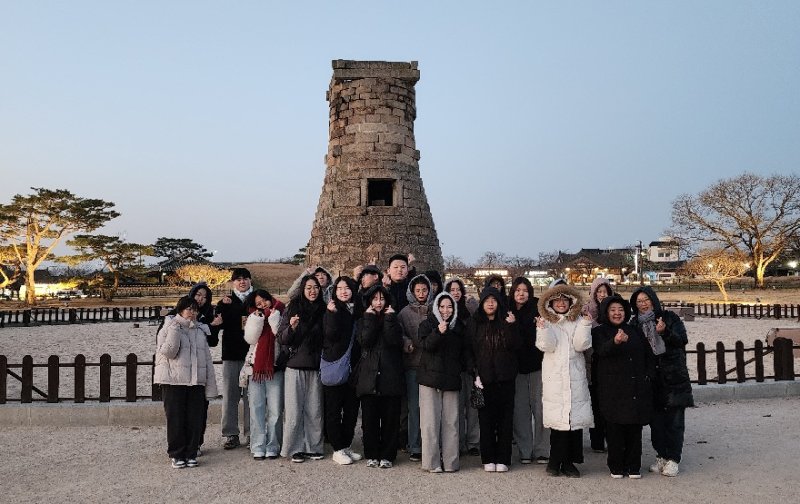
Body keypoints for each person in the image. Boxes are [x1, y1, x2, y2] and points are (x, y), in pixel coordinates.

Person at [630, 286, 694, 477]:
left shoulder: (669, 318)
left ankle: (674, 459)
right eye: (639, 301)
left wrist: (665, 332)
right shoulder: (634, 324)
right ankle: (662, 456)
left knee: (674, 422)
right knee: (655, 423)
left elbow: (682, 340)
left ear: (653, 300)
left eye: (646, 299)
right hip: (651, 380)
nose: (643, 304)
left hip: (673, 377)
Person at [592, 295, 654, 479]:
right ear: (606, 312)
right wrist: (615, 342)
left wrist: (648, 376)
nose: (617, 313)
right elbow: (600, 351)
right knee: (614, 430)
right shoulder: (599, 332)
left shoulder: (634, 330)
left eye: (620, 309)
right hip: (611, 388)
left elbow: (647, 355)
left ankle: (634, 466)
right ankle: (616, 466)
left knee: (634, 430)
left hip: (635, 386)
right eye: (612, 310)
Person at [536, 281, 593, 478]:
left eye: (564, 300)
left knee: (573, 422)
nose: (561, 303)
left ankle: (569, 462)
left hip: (574, 375)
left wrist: (586, 324)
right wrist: (542, 328)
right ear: (550, 303)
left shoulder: (578, 321)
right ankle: (555, 460)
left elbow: (581, 345)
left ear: (571, 301)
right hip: (554, 377)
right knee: (558, 423)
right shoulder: (546, 321)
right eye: (557, 300)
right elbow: (547, 346)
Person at [154, 296, 218, 469]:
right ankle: (176, 454)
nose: (192, 313)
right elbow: (168, 352)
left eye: (195, 310)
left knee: (194, 418)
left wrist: (209, 383)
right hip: (173, 380)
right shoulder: (168, 326)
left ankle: (191, 453)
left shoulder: (199, 330)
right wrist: (175, 330)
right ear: (180, 310)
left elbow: (206, 358)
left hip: (195, 380)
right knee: (176, 418)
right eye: (189, 309)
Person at [467, 286, 520, 473]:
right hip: (484, 379)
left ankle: (504, 458)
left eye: (494, 300)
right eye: (487, 300)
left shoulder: (507, 319)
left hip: (505, 378)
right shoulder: (475, 323)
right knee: (486, 421)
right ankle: (488, 457)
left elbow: (516, 346)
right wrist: (474, 372)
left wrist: (513, 326)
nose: (490, 303)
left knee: (505, 421)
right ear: (481, 303)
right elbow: (470, 350)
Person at [277, 275, 326, 463]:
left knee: (315, 409)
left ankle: (314, 446)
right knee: (294, 410)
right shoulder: (292, 309)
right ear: (302, 290)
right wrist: (291, 327)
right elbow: (281, 338)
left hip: (316, 366)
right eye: (308, 288)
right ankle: (294, 447)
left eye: (315, 287)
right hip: (295, 365)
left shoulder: (324, 309)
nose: (312, 291)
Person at [354, 285, 404, 469]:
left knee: (390, 419)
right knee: (370, 419)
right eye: (374, 299)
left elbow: (394, 341)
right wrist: (370, 318)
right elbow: (365, 341)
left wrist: (390, 319)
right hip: (369, 376)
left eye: (382, 299)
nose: (378, 302)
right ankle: (372, 454)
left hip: (390, 375)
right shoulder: (363, 320)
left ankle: (388, 455)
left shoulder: (394, 320)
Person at [417, 292, 467, 473]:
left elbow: (464, 352)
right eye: (442, 306)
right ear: (436, 307)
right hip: (430, 380)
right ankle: (431, 463)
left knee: (451, 423)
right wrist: (439, 331)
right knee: (430, 423)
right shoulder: (427, 324)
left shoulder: (459, 326)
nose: (446, 310)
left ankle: (451, 462)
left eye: (449, 306)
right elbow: (425, 346)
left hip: (452, 379)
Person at [322, 276, 363, 465]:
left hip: (354, 368)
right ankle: (337, 448)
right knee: (333, 409)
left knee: (351, 410)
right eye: (339, 288)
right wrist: (331, 315)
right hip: (336, 365)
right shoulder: (332, 310)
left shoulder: (358, 310)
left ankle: (346, 445)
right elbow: (330, 335)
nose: (343, 291)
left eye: (347, 288)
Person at [509, 277, 548, 465]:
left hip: (537, 365)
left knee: (540, 410)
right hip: (516, 368)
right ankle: (525, 450)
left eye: (524, 290)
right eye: (517, 290)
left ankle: (542, 449)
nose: (521, 294)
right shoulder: (507, 309)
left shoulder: (538, 308)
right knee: (520, 411)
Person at [242, 289, 286, 460]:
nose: (263, 305)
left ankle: (273, 445)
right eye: (258, 303)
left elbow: (282, 338)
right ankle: (258, 445)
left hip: (275, 368)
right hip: (256, 369)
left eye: (264, 301)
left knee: (275, 410)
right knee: (257, 408)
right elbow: (251, 339)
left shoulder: (281, 311)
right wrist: (258, 320)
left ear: (270, 298)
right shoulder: (254, 316)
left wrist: (274, 319)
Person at [216, 267, 254, 449]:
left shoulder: (257, 299)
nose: (242, 281)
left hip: (252, 354)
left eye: (245, 278)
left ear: (250, 281)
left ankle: (251, 433)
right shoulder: (225, 302)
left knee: (251, 396)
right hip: (231, 353)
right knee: (230, 395)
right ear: (233, 282)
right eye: (238, 279)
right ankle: (230, 433)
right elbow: (215, 324)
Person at [397, 273, 433, 462]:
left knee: (431, 408)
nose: (421, 293)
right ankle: (414, 445)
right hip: (412, 365)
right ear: (412, 292)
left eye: (424, 290)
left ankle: (431, 443)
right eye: (417, 290)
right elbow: (400, 333)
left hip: (431, 366)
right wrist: (406, 342)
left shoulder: (435, 309)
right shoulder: (404, 312)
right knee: (413, 407)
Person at [444, 277, 480, 456]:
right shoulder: (445, 313)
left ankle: (473, 441)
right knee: (456, 407)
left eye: (458, 289)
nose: (455, 293)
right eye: (452, 290)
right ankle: (457, 441)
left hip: (471, 364)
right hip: (454, 366)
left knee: (473, 405)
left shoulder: (470, 311)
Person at [583, 277, 614, 453]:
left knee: (609, 401)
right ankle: (596, 441)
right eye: (599, 292)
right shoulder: (586, 310)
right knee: (594, 401)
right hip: (591, 362)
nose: (602, 295)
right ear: (593, 293)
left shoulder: (614, 310)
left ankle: (611, 437)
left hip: (609, 363)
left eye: (605, 291)